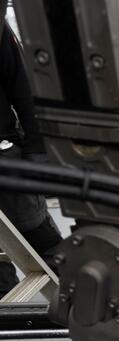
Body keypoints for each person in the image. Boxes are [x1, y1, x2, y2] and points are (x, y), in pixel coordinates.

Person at [0, 22, 62, 298]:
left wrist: (36, 150)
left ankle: (90, 312)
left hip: (5, 157)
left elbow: (24, 89)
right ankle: (10, 326)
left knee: (39, 237)